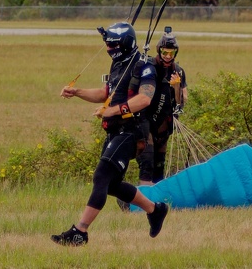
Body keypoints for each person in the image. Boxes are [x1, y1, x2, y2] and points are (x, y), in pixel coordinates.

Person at [51, 22, 169, 246]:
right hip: (116, 131)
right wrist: (77, 92)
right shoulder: (118, 64)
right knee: (112, 184)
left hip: (133, 132)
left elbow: (145, 99)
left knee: (102, 176)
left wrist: (112, 110)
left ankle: (80, 232)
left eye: (111, 44)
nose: (107, 48)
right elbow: (107, 93)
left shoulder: (144, 67)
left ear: (123, 44)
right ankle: (155, 210)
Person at [137, 29, 189, 185]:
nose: (167, 56)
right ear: (159, 50)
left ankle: (156, 201)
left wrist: (177, 86)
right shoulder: (149, 67)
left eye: (171, 53)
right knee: (147, 160)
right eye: (164, 52)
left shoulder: (178, 71)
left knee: (159, 165)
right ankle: (143, 196)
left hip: (164, 125)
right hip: (146, 121)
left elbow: (181, 102)